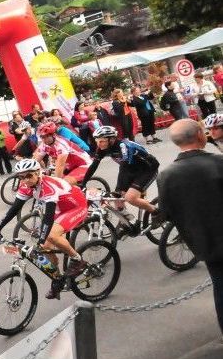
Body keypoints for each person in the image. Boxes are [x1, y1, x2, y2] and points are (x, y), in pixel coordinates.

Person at [157, 119, 223, 336]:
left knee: (220, 288)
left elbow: (166, 213)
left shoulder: (167, 175)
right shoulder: (218, 162)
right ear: (200, 135)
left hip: (205, 242)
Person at [0, 159, 88, 299]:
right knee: (46, 249)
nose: (25, 180)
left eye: (29, 176)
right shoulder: (25, 186)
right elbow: (14, 209)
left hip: (75, 206)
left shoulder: (48, 185)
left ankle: (78, 260)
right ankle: (57, 279)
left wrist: (40, 240)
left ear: (38, 173)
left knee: (51, 236)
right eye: (21, 177)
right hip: (59, 210)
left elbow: (48, 217)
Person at [82, 125, 162, 236]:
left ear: (112, 139)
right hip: (130, 169)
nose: (99, 144)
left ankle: (156, 212)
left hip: (147, 169)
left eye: (102, 141)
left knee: (130, 198)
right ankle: (128, 222)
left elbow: (124, 167)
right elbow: (94, 166)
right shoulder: (102, 147)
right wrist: (83, 183)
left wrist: (122, 190)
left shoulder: (124, 146)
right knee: (117, 198)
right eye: (97, 141)